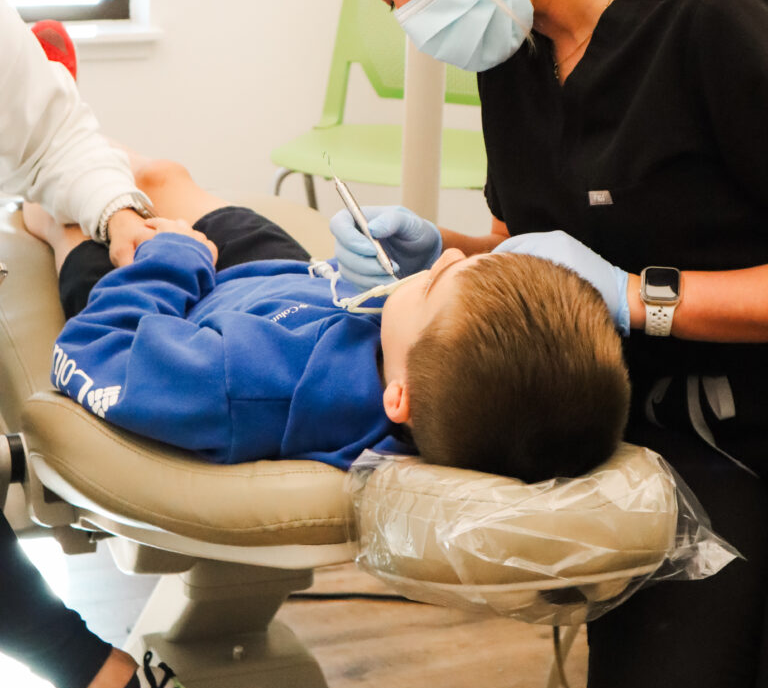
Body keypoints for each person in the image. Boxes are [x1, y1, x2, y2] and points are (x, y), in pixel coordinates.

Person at [316, 0, 768, 688]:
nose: (408, 14)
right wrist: (444, 251)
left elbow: (607, 273)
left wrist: (643, 298)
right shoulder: (513, 54)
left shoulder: (712, 28)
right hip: (670, 445)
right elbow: (544, 248)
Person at [0, 1, 301, 688]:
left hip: (241, 297)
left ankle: (63, 206)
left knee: (130, 196)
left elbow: (56, 140)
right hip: (190, 317)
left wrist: (119, 213)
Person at [24, 154, 630, 485]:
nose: (447, 254)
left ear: (399, 398)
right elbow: (423, 334)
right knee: (165, 177)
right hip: (294, 283)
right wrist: (402, 289)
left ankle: (40, 172)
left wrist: (169, 260)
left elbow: (92, 350)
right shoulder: (439, 375)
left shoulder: (243, 389)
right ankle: (70, 144)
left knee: (81, 218)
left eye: (437, 280)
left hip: (182, 306)